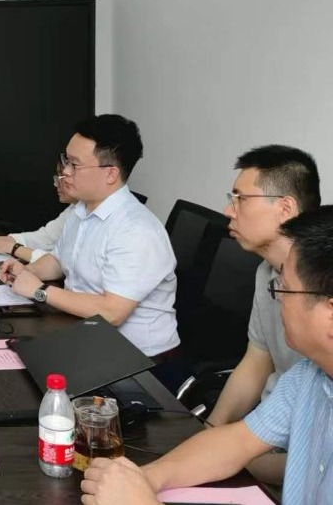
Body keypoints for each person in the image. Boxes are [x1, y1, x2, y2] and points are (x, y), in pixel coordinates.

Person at [80, 206, 333, 505]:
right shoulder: (309, 375)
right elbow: (236, 442)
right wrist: (144, 478)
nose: (276, 300)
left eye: (284, 289)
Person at [0, 115, 179, 358]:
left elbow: (112, 312)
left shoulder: (136, 230)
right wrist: (26, 272)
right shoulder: (81, 210)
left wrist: (40, 291)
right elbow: (59, 260)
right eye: (66, 160)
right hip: (83, 333)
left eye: (74, 164)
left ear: (110, 174)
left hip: (137, 358)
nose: (65, 172)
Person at [206, 145, 318, 483]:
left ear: (285, 208)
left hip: (303, 459)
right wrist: (211, 431)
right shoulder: (265, 272)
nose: (229, 210)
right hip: (266, 436)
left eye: (241, 199)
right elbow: (257, 360)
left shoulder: (320, 288)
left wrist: (237, 458)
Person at [0, 166, 74, 263]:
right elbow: (45, 237)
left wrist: (13, 248)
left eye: (62, 177)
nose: (55, 184)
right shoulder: (73, 210)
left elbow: (58, 264)